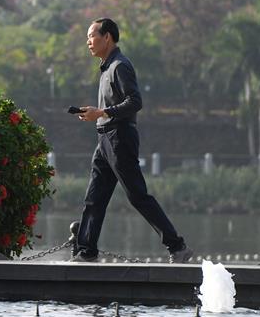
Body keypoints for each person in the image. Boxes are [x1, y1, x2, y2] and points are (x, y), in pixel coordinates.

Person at [71, 18, 193, 264]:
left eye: (92, 35)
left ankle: (177, 246)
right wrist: (96, 114)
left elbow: (135, 102)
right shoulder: (107, 67)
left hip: (120, 138)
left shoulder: (120, 66)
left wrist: (103, 113)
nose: (88, 42)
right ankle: (87, 251)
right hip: (104, 139)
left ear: (108, 37)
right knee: (94, 198)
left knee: (138, 196)